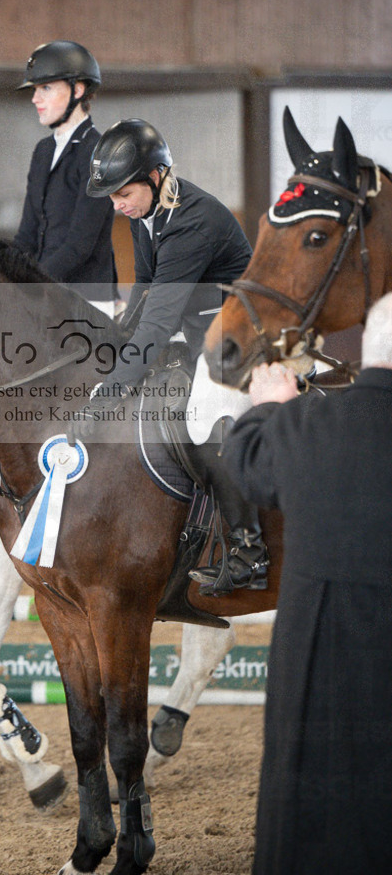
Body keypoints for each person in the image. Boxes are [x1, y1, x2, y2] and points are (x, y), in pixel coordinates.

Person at [221, 294, 392, 874]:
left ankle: (242, 553)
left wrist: (272, 408)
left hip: (321, 680)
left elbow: (246, 460)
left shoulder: (304, 425)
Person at [85, 118, 268, 591]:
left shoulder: (192, 221)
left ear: (155, 176)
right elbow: (145, 291)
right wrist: (112, 343)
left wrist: (107, 394)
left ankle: (249, 552)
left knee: (204, 418)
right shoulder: (146, 214)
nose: (116, 205)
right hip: (196, 334)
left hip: (238, 342)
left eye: (123, 193)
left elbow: (159, 322)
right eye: (112, 196)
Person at [13, 40, 116, 317]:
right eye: (35, 90)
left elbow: (80, 245)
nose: (35, 99)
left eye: (45, 88)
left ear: (77, 90)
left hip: (85, 300)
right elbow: (27, 235)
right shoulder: (43, 151)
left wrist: (31, 282)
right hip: (44, 293)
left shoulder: (98, 152)